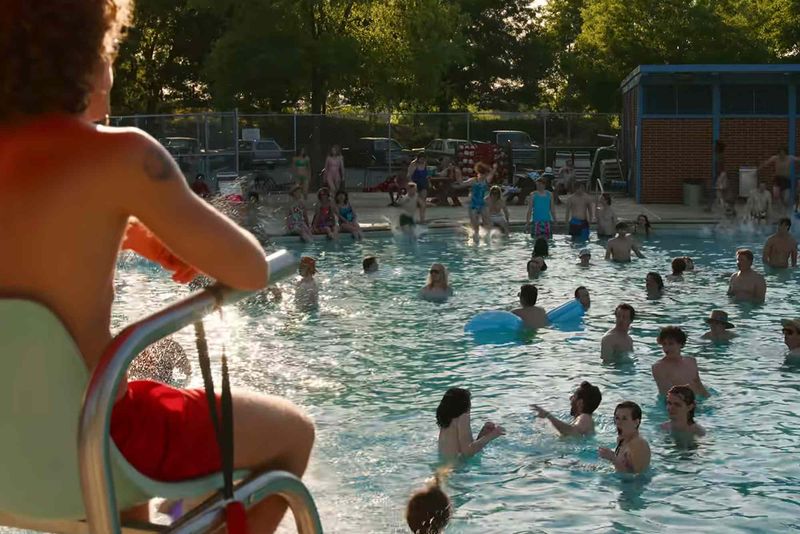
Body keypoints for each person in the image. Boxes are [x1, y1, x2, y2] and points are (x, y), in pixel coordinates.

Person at [0, 5, 314, 529]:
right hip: (99, 441)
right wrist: (158, 222)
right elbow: (249, 269)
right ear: (86, 61)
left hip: (10, 463)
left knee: (129, 499)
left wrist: (125, 232)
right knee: (293, 433)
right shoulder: (124, 158)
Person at [437, 388, 504, 459]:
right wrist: (492, 435)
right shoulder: (463, 416)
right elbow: (467, 452)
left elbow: (463, 447)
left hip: (447, 463)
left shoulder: (447, 418)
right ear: (465, 404)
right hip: (459, 465)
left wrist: (483, 434)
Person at [652, 326, 710, 397]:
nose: (667, 348)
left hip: (695, 400)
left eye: (671, 344)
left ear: (681, 344)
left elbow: (699, 385)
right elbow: (667, 395)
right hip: (676, 402)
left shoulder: (691, 361)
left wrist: (708, 398)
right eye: (664, 344)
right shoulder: (659, 367)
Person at [531, 381, 602, 437]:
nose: (570, 398)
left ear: (580, 402)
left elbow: (571, 432)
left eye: (574, 396)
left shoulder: (585, 417)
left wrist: (548, 415)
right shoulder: (587, 420)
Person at [598, 401, 651, 474]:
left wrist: (613, 459)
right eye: (617, 418)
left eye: (624, 418)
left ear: (636, 422)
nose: (619, 422)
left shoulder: (639, 444)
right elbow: (619, 469)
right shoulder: (622, 441)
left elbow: (636, 477)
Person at [465, 162, 496, 239]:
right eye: (485, 174)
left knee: (487, 222)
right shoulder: (473, 180)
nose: (486, 176)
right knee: (475, 225)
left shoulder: (485, 180)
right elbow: (462, 184)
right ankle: (475, 237)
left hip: (482, 204)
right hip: (473, 205)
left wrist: (494, 168)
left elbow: (491, 174)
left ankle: (487, 237)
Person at [407, 154, 429, 223]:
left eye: (424, 159)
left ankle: (422, 218)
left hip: (423, 184)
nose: (423, 160)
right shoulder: (414, 164)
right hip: (415, 184)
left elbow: (426, 174)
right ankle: (410, 218)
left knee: (423, 202)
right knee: (414, 202)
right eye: (421, 159)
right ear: (418, 158)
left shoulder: (425, 164)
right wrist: (411, 185)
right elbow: (409, 176)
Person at [714, 140, 730, 213]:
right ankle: (723, 205)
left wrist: (720, 176)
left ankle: (725, 206)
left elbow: (722, 167)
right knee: (720, 191)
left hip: (722, 174)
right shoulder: (720, 155)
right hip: (722, 174)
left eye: (716, 146)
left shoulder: (720, 156)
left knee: (719, 190)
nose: (714, 147)